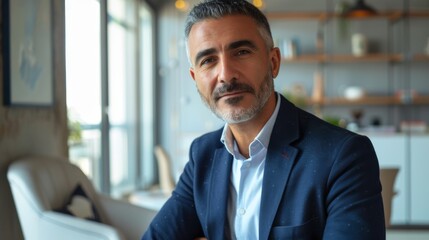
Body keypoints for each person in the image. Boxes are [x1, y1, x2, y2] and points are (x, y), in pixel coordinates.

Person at [142, 0, 385, 239]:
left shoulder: (344, 155)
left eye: (242, 52)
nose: (226, 75)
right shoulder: (202, 154)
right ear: (195, 78)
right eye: (208, 60)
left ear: (273, 62)